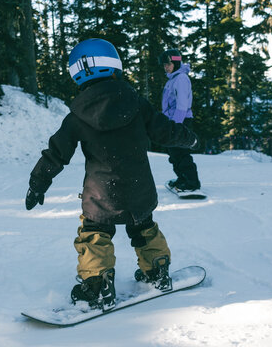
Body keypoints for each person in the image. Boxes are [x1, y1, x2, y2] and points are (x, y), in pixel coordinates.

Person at [25, 38, 199, 311]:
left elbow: (56, 153)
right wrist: (188, 139)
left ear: (77, 72)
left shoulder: (77, 117)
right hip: (139, 189)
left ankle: (98, 285)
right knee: (144, 228)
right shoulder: (137, 103)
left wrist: (38, 183)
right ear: (113, 64)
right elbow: (164, 130)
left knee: (94, 234)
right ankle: (157, 271)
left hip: (101, 194)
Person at [159, 49, 201, 192]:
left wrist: (176, 125)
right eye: (164, 65)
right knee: (174, 153)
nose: (166, 67)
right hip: (173, 121)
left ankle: (192, 182)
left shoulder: (181, 79)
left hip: (181, 121)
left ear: (176, 63)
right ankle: (182, 178)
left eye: (168, 64)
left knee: (181, 153)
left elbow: (182, 105)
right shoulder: (172, 79)